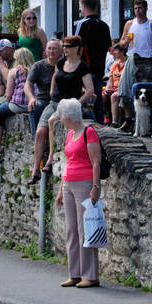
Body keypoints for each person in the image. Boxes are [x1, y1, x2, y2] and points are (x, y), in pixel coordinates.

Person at [54, 99, 102, 288]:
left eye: (61, 116)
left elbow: (96, 162)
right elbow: (68, 162)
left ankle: (89, 275)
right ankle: (74, 273)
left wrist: (95, 187)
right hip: (69, 184)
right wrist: (60, 190)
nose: (60, 120)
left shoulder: (88, 132)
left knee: (85, 230)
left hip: (84, 183)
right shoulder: (70, 134)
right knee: (71, 230)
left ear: (68, 116)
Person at [35, 36, 96, 181]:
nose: (64, 49)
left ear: (76, 48)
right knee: (41, 129)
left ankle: (49, 159)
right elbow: (55, 76)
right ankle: (36, 167)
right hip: (55, 101)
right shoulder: (61, 62)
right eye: (64, 46)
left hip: (68, 104)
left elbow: (89, 90)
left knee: (51, 121)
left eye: (68, 46)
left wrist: (76, 104)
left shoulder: (82, 66)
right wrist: (51, 91)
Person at [116, 0, 152, 118]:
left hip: (146, 60)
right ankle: (128, 119)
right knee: (124, 89)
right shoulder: (129, 24)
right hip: (131, 59)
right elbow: (120, 43)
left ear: (145, 9)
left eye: (140, 8)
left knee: (148, 92)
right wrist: (125, 42)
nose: (137, 11)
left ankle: (151, 121)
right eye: (135, 8)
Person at [0, 48, 35, 162]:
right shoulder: (35, 69)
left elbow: (8, 95)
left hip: (18, 105)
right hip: (33, 103)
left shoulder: (14, 71)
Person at [25, 39, 62, 183]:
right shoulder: (39, 65)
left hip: (59, 100)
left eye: (55, 49)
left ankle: (45, 155)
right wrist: (31, 98)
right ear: (45, 51)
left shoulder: (64, 65)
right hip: (43, 99)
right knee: (36, 107)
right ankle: (36, 167)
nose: (51, 51)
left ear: (60, 51)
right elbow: (28, 85)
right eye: (49, 49)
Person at [73, 0, 112, 77]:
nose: (80, 9)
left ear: (83, 7)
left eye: (80, 7)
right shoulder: (104, 25)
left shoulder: (82, 23)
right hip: (100, 71)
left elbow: (75, 45)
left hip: (85, 70)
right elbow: (108, 47)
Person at [103, 42, 127, 127]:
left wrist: (116, 89)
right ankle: (106, 116)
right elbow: (110, 78)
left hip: (122, 88)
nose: (113, 52)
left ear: (122, 52)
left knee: (114, 96)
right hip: (113, 87)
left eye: (115, 50)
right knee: (100, 95)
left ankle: (115, 122)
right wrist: (108, 88)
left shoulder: (128, 64)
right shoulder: (115, 64)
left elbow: (126, 80)